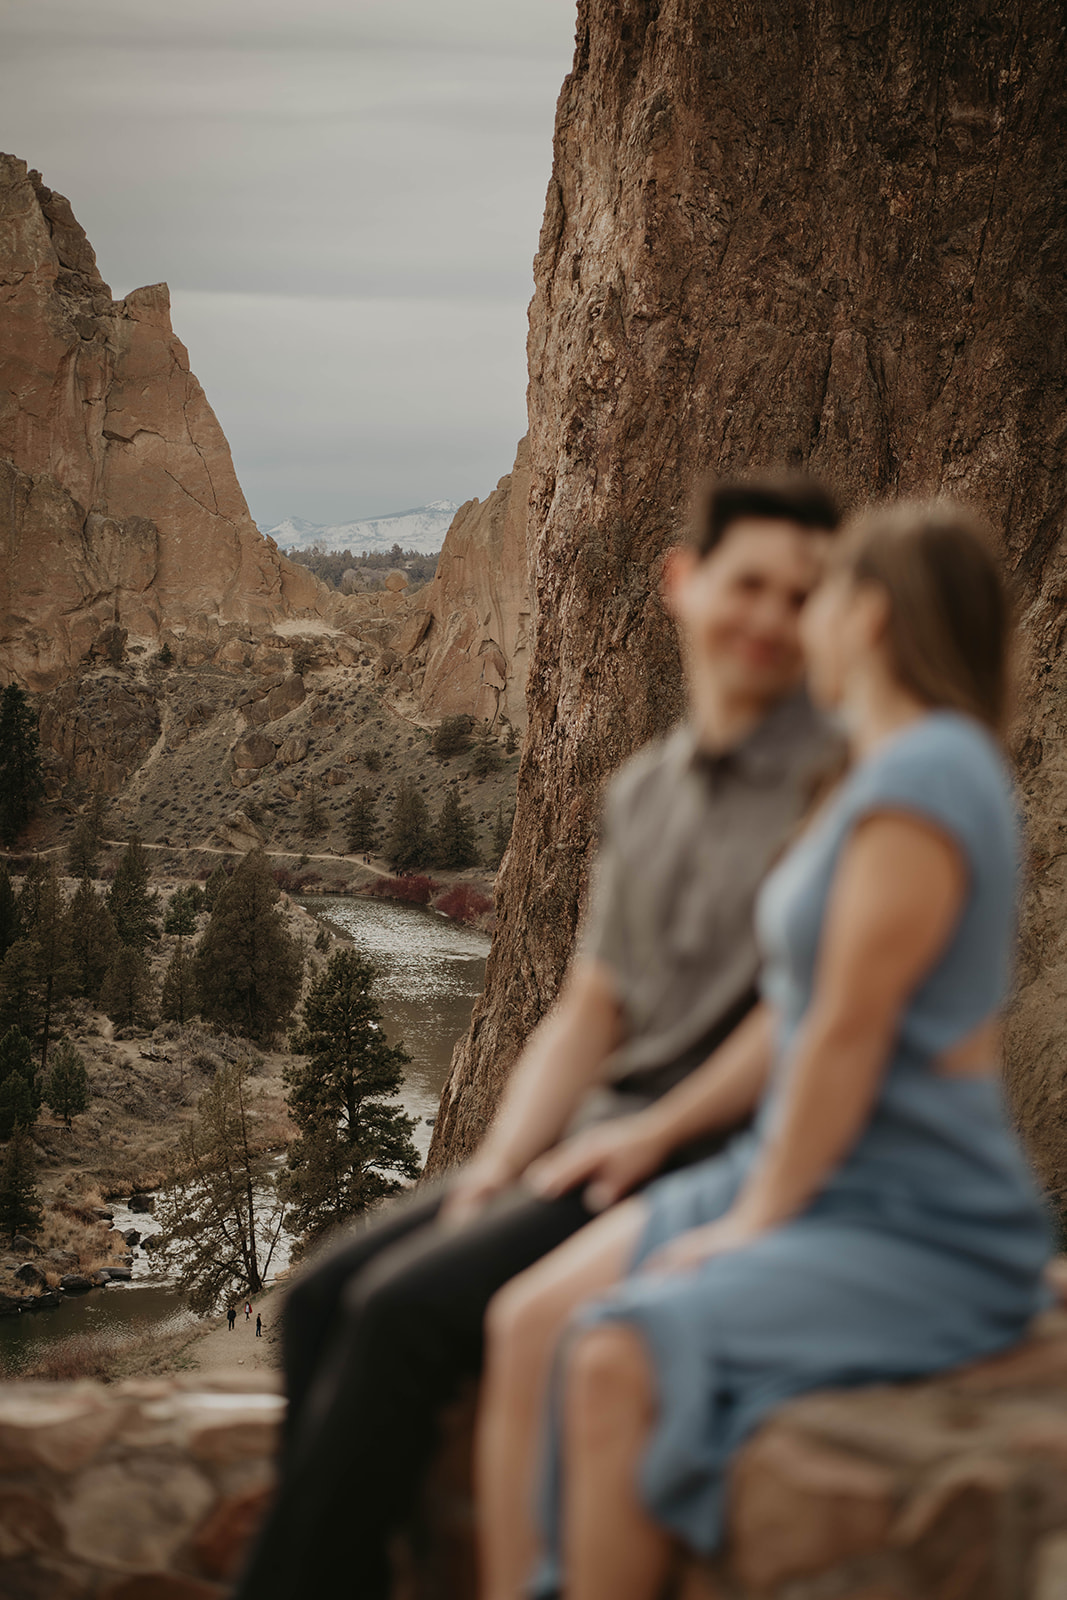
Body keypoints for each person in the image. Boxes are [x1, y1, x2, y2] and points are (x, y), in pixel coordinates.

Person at [233, 475, 843, 1600]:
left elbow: (813, 1019)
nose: (768, 617)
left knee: (405, 1315)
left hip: (713, 1153)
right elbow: (589, 1007)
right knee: (322, 1298)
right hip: (605, 1130)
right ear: (683, 584)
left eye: (801, 597)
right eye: (748, 583)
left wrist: (627, 1139)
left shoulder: (837, 790)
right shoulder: (650, 790)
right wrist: (500, 1164)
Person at [477, 500, 1053, 1600]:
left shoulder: (926, 771)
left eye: (821, 595)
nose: (798, 627)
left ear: (869, 614)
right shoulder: (878, 769)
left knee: (611, 1355)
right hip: (810, 1173)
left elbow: (843, 1027)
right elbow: (799, 1017)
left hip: (902, 1202)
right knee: (529, 1318)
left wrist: (754, 1223)